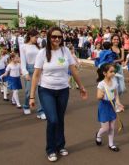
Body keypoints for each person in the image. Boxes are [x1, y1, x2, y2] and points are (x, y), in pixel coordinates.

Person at [29, 27, 87, 162]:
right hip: (46, 90)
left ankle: (60, 145)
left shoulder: (65, 51)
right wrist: (31, 96)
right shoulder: (42, 53)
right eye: (54, 37)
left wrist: (81, 87)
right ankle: (51, 149)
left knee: (60, 119)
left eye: (59, 37)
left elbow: (73, 70)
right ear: (49, 37)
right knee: (53, 119)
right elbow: (36, 75)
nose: (57, 39)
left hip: (63, 90)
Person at [95, 64, 124, 152]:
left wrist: (118, 103)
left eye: (114, 71)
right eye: (111, 71)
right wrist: (101, 95)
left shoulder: (114, 82)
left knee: (112, 127)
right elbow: (98, 96)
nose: (113, 73)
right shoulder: (101, 84)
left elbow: (116, 94)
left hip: (112, 106)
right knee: (105, 128)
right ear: (104, 73)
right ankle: (98, 135)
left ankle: (111, 144)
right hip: (104, 106)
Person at [20, 29, 46, 118]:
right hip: (29, 69)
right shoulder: (23, 46)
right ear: (30, 36)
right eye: (36, 37)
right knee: (28, 91)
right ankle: (26, 106)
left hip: (39, 69)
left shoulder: (38, 47)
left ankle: (41, 111)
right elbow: (23, 61)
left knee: (40, 91)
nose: (37, 39)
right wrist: (25, 72)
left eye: (38, 37)